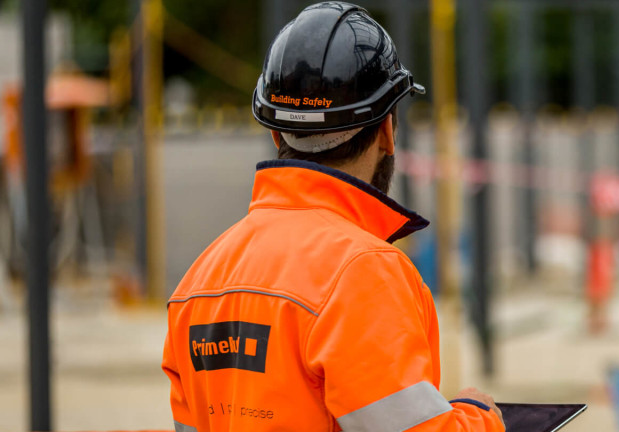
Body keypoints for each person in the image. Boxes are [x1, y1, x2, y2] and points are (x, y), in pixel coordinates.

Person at [162, 2, 505, 431]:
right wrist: (481, 416)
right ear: (386, 132)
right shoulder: (362, 274)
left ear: (275, 133)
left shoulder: (198, 283)